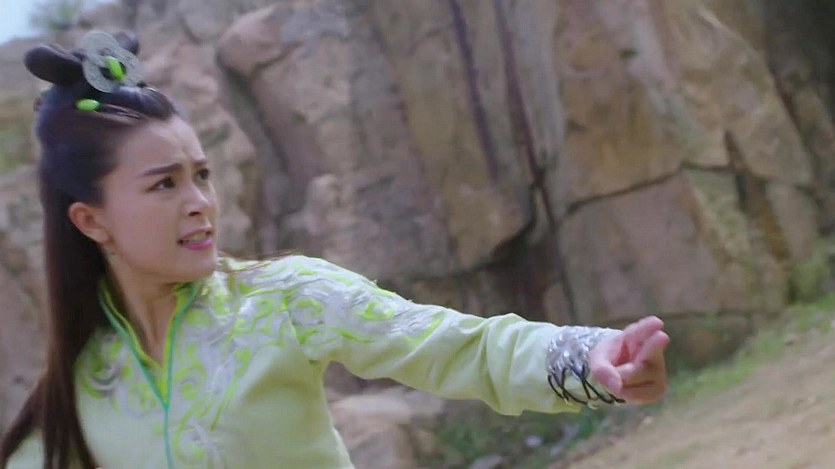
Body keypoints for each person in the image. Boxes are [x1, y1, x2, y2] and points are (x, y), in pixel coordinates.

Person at [0, 31, 669, 469]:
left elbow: (455, 346)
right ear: (92, 221)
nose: (200, 201)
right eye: (164, 184)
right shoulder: (77, 394)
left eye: (202, 174)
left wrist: (591, 358)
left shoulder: (285, 299)